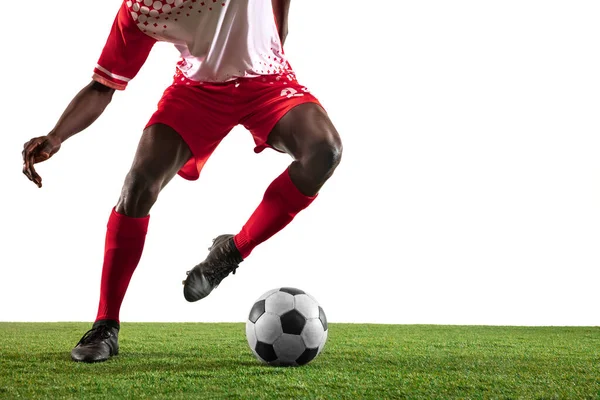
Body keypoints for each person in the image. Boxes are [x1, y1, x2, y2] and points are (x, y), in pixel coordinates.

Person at [21, 0, 342, 363]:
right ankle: (105, 325)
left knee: (324, 152)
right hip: (198, 92)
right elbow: (102, 86)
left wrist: (280, 28)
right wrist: (56, 136)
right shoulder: (142, 9)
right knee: (138, 186)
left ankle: (231, 251)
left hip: (267, 80)